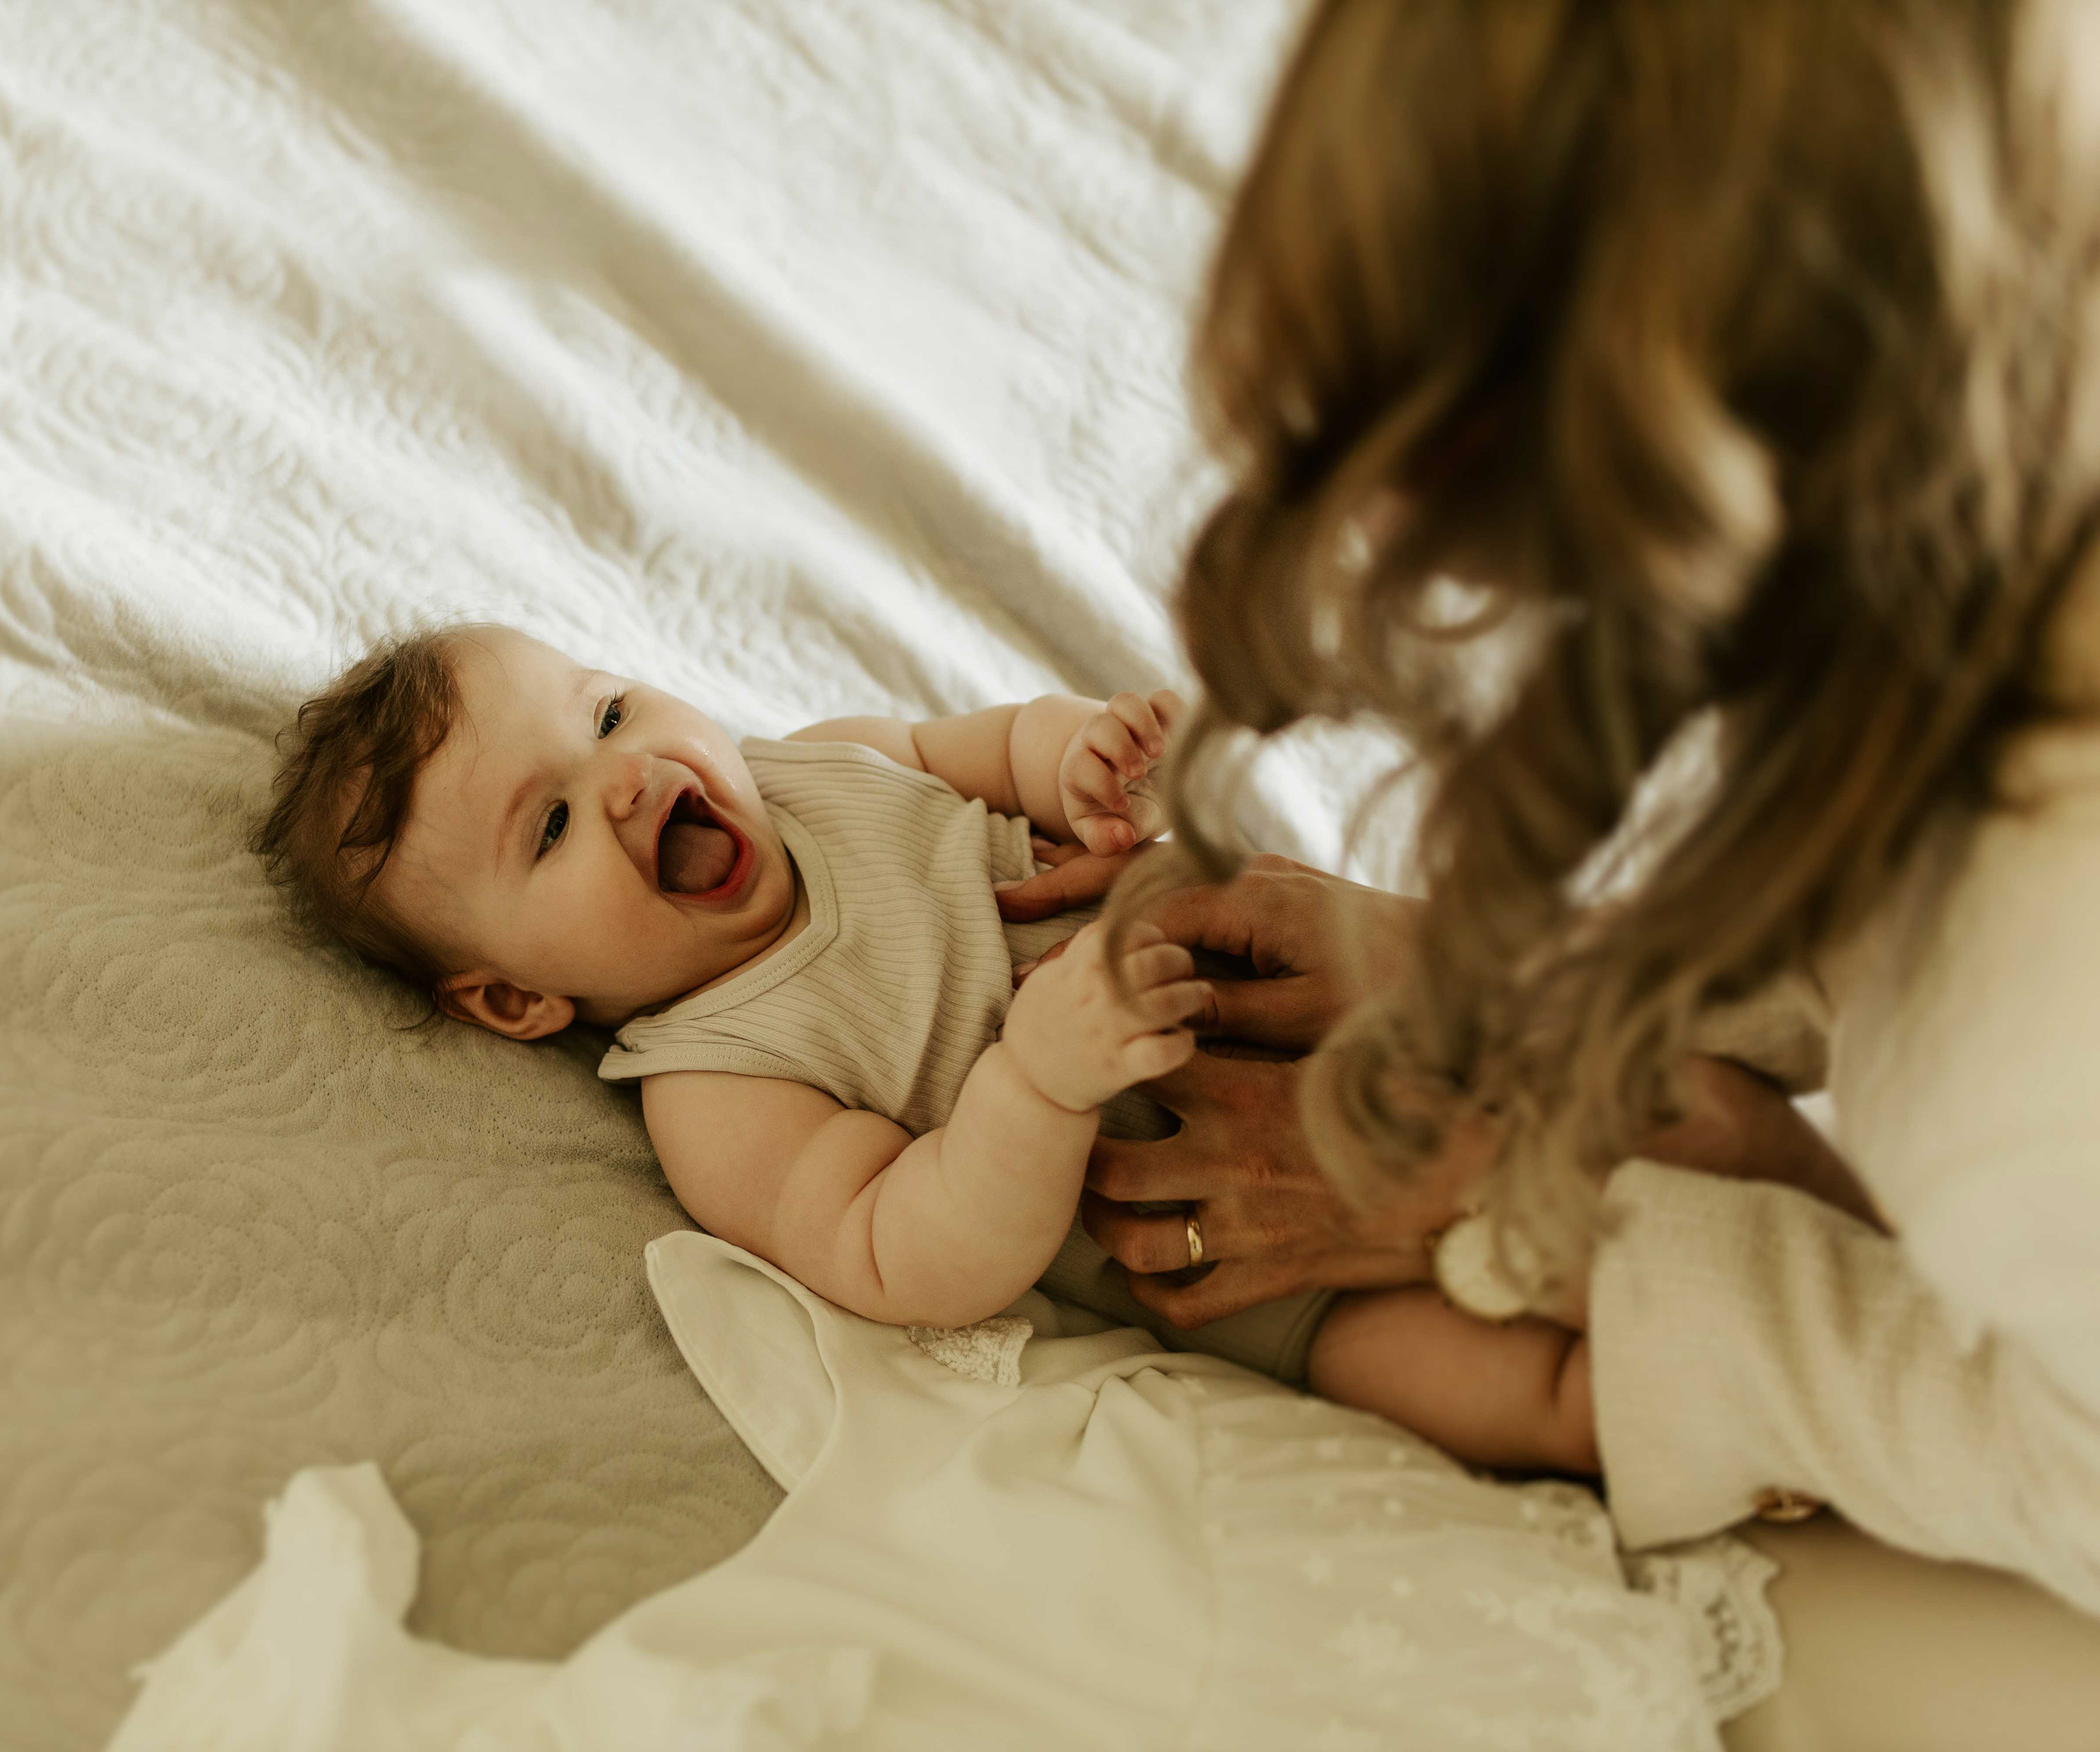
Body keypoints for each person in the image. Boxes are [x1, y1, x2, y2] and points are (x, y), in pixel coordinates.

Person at [999, 0, 2100, 1612]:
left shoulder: (2034, 1045)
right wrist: (1491, 968)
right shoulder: (1989, 432)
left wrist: (1521, 1210)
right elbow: (1883, 843)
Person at [252, 622, 1604, 1474]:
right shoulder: (717, 1082)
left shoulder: (821, 763)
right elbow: (899, 1254)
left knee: (1599, 1070)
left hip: (1308, 993)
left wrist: (1078, 756)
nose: (627, 777)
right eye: (548, 827)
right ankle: (1663, 1397)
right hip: (1247, 1258)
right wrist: (1035, 1085)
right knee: (1531, 1395)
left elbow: (989, 747)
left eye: (608, 712)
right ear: (514, 1001)